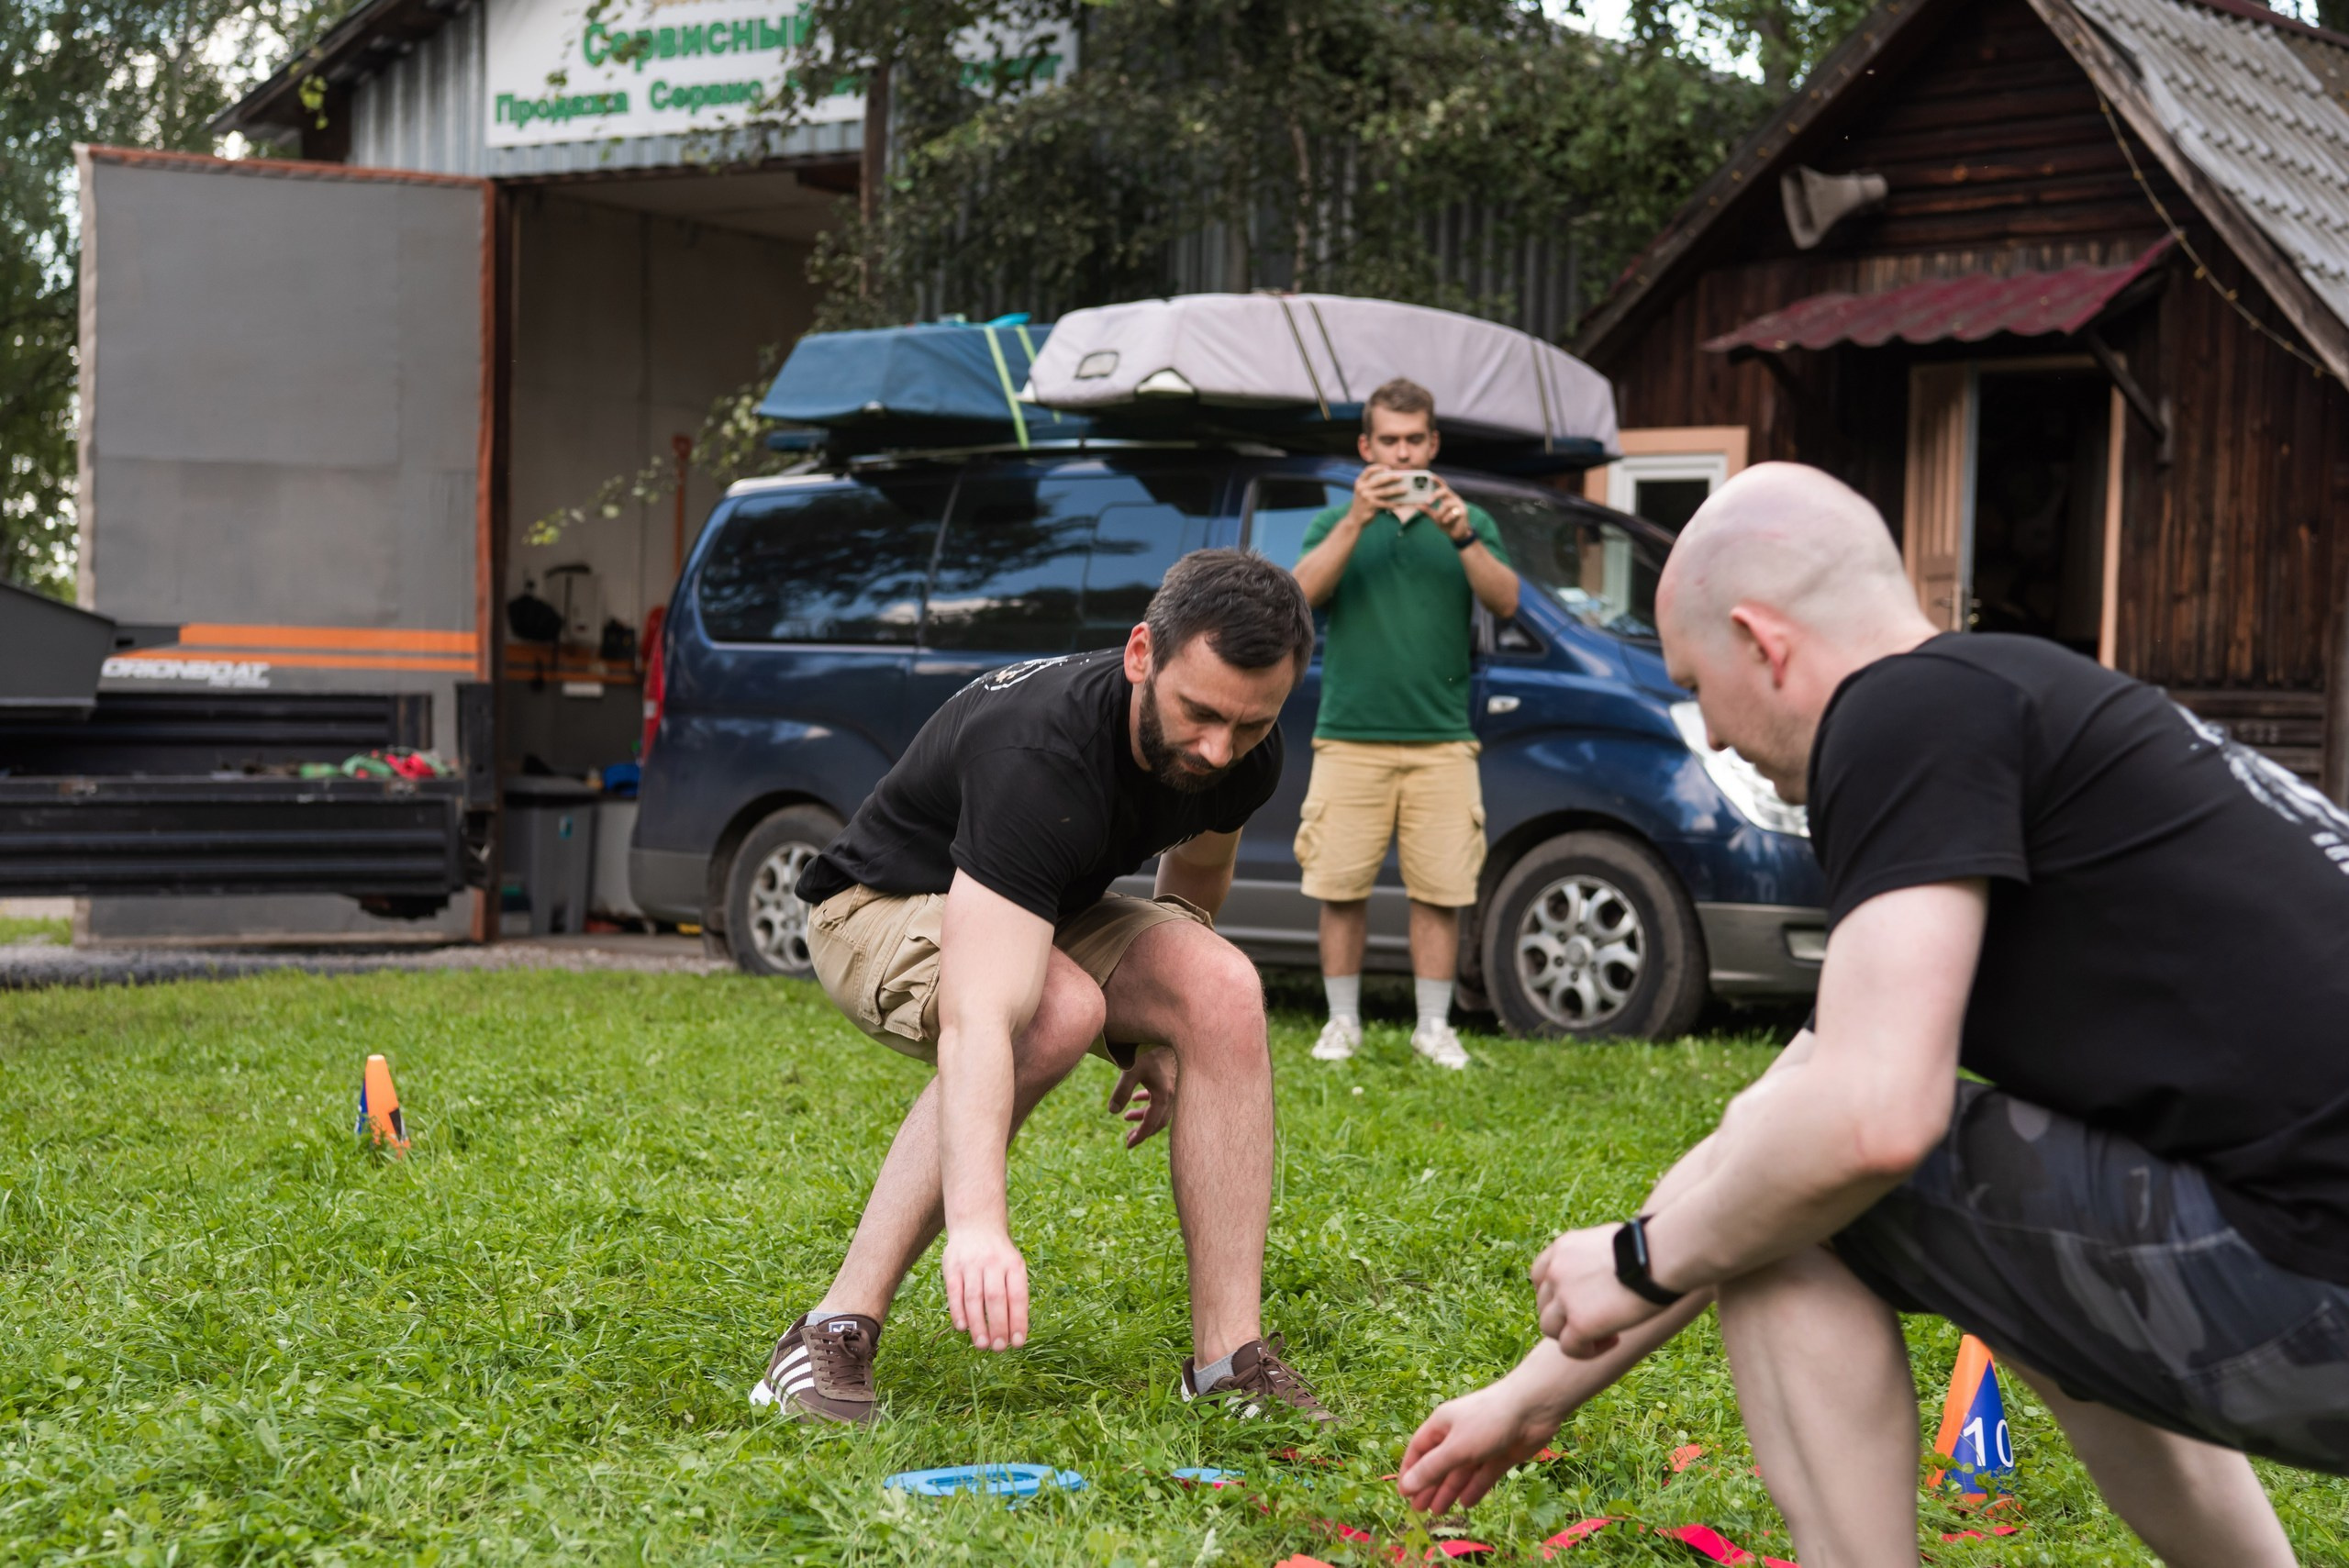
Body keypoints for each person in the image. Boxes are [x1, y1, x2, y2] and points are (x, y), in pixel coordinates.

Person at [1397, 463, 2349, 1565]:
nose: (1707, 733)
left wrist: (1641, 1256)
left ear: (1764, 642)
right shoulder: (2020, 705)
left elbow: (1853, 1131)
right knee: (1999, 1256)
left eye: (1697, 682)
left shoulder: (1902, 713)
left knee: (1815, 1202)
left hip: (2311, 1279)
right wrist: (1533, 1394)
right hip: (2301, 1262)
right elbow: (1784, 1104)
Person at [751, 549, 1334, 1427]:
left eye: (1250, 726)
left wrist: (1164, 1026)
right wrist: (980, 1223)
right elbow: (984, 1013)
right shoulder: (1041, 751)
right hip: (878, 905)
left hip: (1041, 905)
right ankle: (831, 1328)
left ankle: (1227, 1363)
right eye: (1201, 713)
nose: (1219, 749)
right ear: (1142, 653)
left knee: (1221, 989)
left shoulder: (1244, 745)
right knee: (1056, 1009)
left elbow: (1193, 883)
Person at [1288, 378, 1519, 1070]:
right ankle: (1342, 1023)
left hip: (1442, 739)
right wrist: (1356, 519)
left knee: (1441, 891)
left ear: (1433, 443)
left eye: (1414, 439)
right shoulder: (1335, 524)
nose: (1401, 452)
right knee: (1339, 887)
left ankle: (1432, 1027)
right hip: (1349, 734)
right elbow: (1296, 595)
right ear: (1366, 447)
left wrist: (1463, 534)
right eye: (1388, 440)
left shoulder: (1468, 519)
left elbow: (1506, 599)